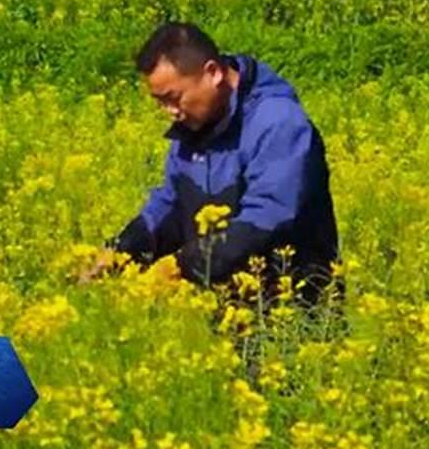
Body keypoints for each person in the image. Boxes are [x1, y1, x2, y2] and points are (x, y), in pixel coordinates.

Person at [90, 22, 342, 305]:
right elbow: (172, 203)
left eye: (173, 98)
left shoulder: (278, 123)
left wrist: (181, 267)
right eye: (160, 102)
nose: (170, 112)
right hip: (222, 310)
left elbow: (268, 217)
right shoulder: (196, 126)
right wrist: (121, 251)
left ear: (213, 73)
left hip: (289, 309)